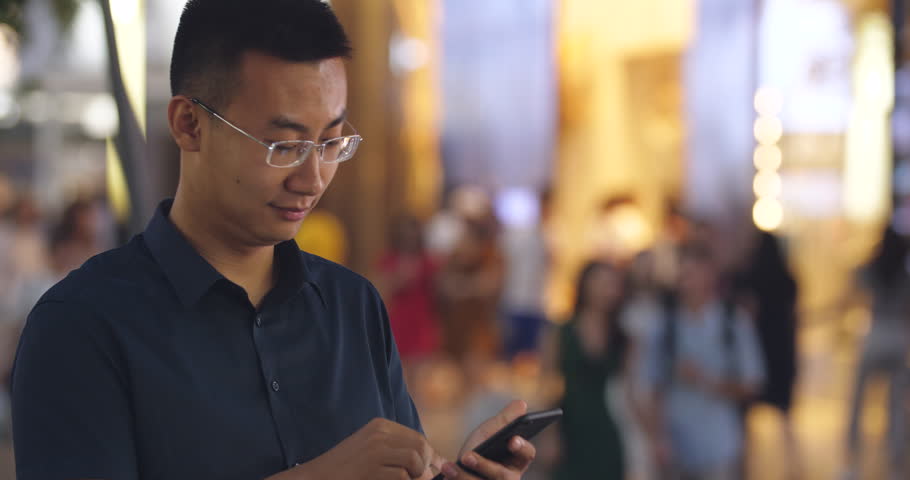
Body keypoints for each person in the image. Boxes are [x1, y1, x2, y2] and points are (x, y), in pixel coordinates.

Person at [10, 2, 536, 479]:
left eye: (331, 142)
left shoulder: (353, 307)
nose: (312, 179)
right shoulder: (82, 325)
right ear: (189, 124)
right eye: (284, 146)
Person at [642, 242, 765, 480]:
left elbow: (752, 383)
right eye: (683, 274)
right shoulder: (665, 324)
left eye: (693, 273)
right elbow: (652, 385)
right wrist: (657, 437)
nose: (686, 281)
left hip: (720, 446)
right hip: (676, 446)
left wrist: (706, 380)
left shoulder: (733, 322)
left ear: (710, 275)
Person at [549, 261, 629, 480]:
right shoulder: (562, 331)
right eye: (600, 282)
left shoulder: (621, 336)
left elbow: (629, 391)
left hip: (604, 425)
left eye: (611, 284)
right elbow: (549, 384)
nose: (606, 290)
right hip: (569, 424)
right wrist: (551, 433)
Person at [843, 226, 910, 480]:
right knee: (895, 405)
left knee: (858, 400)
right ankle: (895, 462)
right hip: (898, 338)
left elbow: (854, 281)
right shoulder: (903, 275)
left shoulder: (873, 268)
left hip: (875, 335)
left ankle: (852, 458)